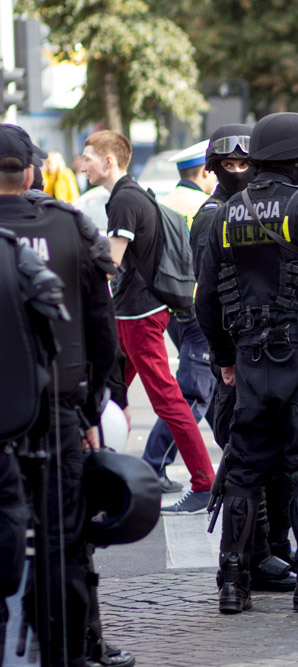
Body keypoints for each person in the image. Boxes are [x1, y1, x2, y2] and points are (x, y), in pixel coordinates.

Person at [197, 112, 298, 614]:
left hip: (249, 359)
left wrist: (225, 360)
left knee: (244, 468)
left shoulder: (224, 214)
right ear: (293, 156)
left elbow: (205, 301)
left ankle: (233, 581)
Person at [0, 124, 129, 666]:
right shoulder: (68, 226)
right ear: (30, 171)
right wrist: (93, 404)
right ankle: (74, 651)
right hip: (58, 412)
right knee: (66, 540)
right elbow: (104, 335)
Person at [80, 130, 217, 513]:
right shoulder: (132, 194)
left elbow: (112, 264)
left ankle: (205, 482)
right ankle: (95, 474)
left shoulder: (124, 199)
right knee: (105, 392)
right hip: (135, 310)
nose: (83, 163)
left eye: (88, 157)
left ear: (108, 161)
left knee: (167, 400)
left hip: (139, 313)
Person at [142, 140, 218, 494]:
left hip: (170, 310)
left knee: (211, 386)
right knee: (193, 393)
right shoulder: (205, 207)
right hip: (198, 309)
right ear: (204, 172)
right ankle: (152, 464)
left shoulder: (160, 204)